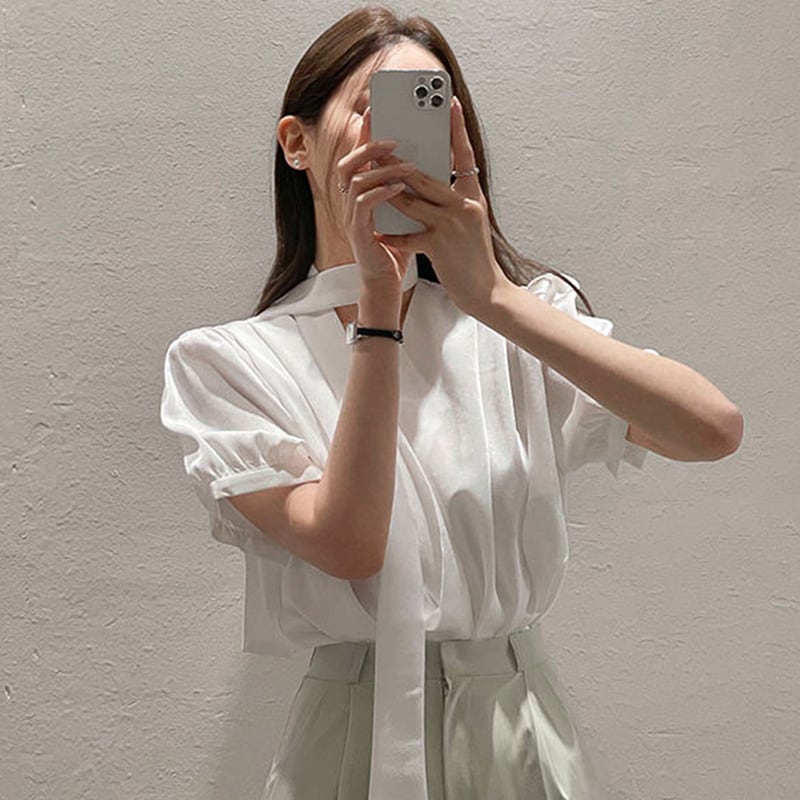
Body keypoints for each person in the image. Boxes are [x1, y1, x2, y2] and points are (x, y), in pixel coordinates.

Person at [159, 6, 744, 799]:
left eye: (423, 109)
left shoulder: (514, 322)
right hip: (351, 730)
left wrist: (494, 296)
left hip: (516, 723)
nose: (396, 138)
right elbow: (350, 545)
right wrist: (378, 307)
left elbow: (712, 430)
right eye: (371, 107)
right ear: (297, 142)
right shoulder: (225, 361)